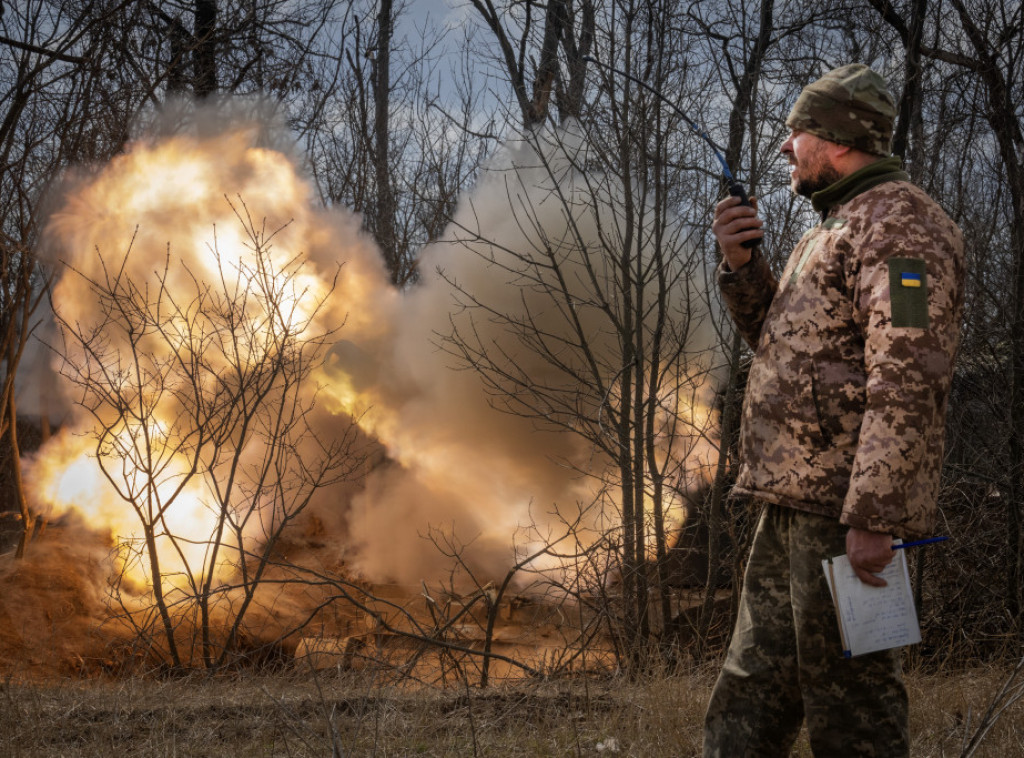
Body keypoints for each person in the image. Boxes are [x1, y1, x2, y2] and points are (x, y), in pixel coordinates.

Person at [702, 63, 965, 757]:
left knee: (852, 710)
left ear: (837, 139)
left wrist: (874, 515)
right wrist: (740, 264)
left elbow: (909, 375)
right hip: (789, 503)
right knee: (751, 692)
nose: (786, 148)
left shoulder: (901, 227)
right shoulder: (834, 226)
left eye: (796, 134)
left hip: (843, 513)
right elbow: (786, 350)